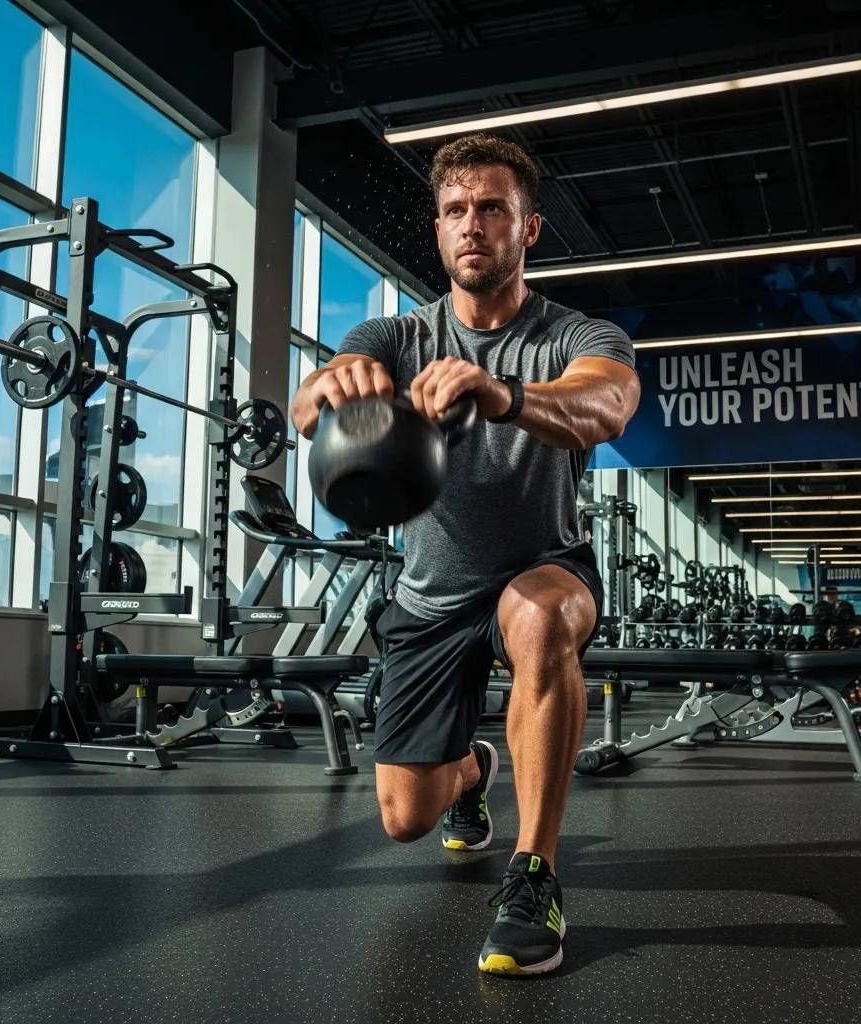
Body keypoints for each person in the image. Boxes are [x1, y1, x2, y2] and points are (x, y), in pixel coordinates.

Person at [291, 132, 640, 975]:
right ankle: (474, 769)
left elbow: (608, 403)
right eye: (455, 210)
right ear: (438, 230)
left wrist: (503, 393)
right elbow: (311, 400)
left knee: (542, 614)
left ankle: (535, 874)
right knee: (406, 818)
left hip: (542, 568)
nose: (471, 224)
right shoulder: (396, 333)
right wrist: (329, 392)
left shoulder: (574, 333)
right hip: (430, 595)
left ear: (530, 229)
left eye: (492, 208)